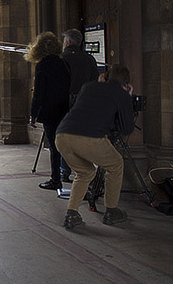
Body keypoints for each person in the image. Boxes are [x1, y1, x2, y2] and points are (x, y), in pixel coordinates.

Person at [55, 64, 135, 229]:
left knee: (85, 172)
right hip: (90, 138)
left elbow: (87, 108)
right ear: (126, 83)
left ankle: (72, 213)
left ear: (106, 76)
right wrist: (128, 99)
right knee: (116, 164)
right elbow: (126, 129)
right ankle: (111, 211)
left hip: (62, 135)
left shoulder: (88, 86)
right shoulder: (122, 94)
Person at [25, 32, 71, 190]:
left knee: (53, 146)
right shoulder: (63, 63)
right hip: (64, 109)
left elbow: (39, 93)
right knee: (64, 143)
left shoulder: (42, 65)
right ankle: (68, 173)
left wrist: (33, 114)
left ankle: (55, 179)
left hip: (50, 110)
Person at [60, 29, 100, 182]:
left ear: (68, 42)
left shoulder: (62, 58)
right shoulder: (89, 59)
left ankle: (64, 170)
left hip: (65, 102)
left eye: (64, 41)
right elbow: (94, 81)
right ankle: (84, 170)